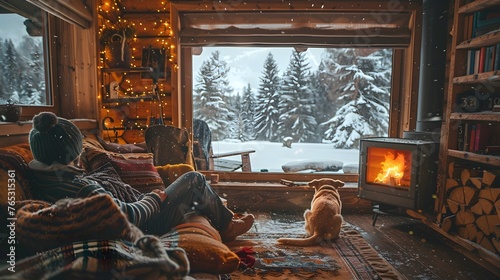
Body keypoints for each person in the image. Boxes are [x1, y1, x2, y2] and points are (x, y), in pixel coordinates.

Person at [27, 111, 254, 242]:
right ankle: (226, 226)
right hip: (146, 225)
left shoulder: (43, 177)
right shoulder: (81, 188)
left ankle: (221, 217)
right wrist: (154, 199)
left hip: (135, 216)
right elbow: (128, 217)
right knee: (193, 179)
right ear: (73, 151)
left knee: (191, 194)